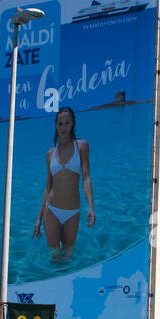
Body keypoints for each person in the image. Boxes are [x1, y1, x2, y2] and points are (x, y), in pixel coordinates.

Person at [32, 106, 96, 264]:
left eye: (67, 123)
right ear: (55, 125)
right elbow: (48, 187)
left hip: (73, 211)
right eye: (60, 123)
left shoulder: (81, 146)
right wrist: (38, 219)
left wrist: (91, 206)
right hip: (51, 211)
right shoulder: (50, 154)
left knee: (67, 258)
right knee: (55, 258)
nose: (63, 127)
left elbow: (86, 178)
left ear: (73, 123)